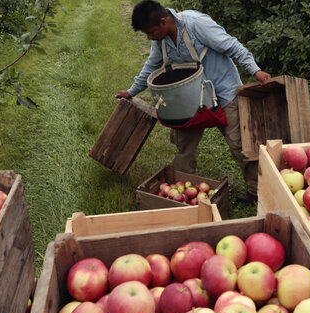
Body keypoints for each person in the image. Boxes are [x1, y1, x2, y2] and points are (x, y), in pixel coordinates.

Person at [116, 0, 271, 204]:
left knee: (239, 144)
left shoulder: (197, 23)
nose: (149, 37)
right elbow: (152, 65)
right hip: (189, 98)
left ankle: (257, 191)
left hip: (223, 90)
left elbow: (231, 46)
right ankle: (182, 190)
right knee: (184, 146)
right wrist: (131, 91)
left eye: (151, 32)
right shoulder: (160, 40)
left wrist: (255, 70)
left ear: (163, 22)